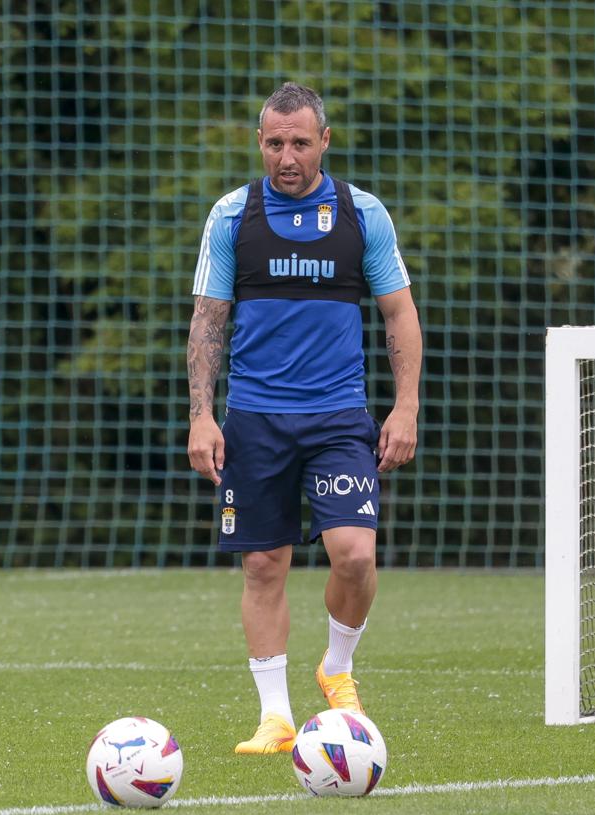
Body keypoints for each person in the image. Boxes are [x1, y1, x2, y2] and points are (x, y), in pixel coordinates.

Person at [186, 83, 422, 755]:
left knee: (354, 554)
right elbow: (208, 320)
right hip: (255, 419)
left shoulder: (360, 214)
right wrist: (201, 417)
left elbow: (399, 313)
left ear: (323, 141)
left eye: (299, 142)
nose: (287, 157)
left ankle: (337, 668)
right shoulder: (233, 216)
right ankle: (275, 718)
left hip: (338, 416)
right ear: (259, 143)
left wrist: (404, 407)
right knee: (263, 563)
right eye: (274, 143)